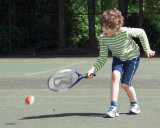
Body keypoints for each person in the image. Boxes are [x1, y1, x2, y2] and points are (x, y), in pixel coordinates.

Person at [86, 8, 155, 118]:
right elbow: (102, 57)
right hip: (118, 58)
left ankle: (135, 104)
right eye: (103, 26)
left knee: (125, 84)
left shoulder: (125, 31)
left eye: (107, 28)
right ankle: (113, 108)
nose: (104, 29)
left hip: (132, 58)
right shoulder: (103, 38)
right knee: (115, 76)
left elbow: (141, 32)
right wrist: (93, 69)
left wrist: (147, 49)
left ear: (116, 27)